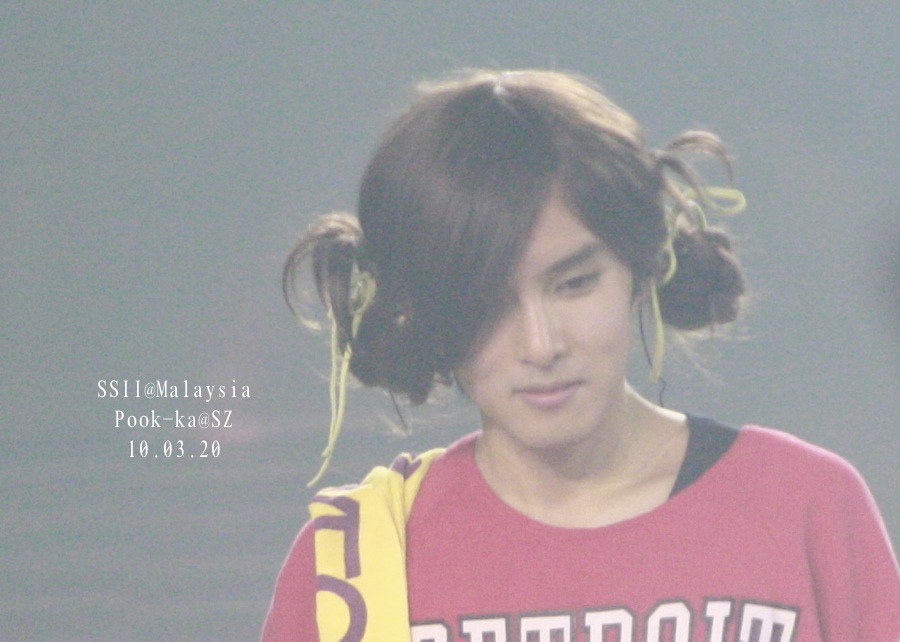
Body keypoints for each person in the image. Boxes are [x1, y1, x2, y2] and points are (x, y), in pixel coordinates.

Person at [262, 68, 899, 642]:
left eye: (574, 284)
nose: (542, 345)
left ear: (642, 266)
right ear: (418, 310)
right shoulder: (349, 568)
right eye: (487, 303)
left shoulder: (804, 504)